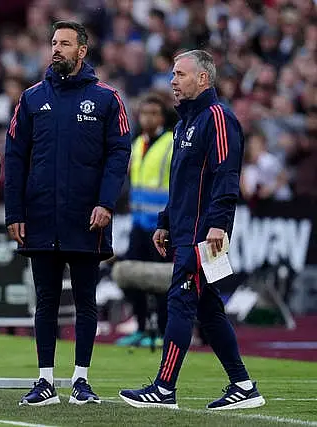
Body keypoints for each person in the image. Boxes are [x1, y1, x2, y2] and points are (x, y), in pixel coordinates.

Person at [119, 50, 266, 410]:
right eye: (172, 74)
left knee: (181, 302)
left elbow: (226, 176)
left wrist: (218, 224)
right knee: (208, 309)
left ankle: (164, 387)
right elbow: (181, 183)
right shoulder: (185, 123)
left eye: (180, 74)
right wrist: (165, 220)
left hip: (203, 234)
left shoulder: (217, 117)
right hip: (185, 230)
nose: (173, 80)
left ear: (203, 79)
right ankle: (243, 385)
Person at [5, 21, 131, 406]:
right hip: (41, 215)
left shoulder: (108, 99)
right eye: (53, 42)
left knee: (85, 300)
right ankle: (44, 381)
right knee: (44, 300)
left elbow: (118, 155)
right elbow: (14, 156)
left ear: (82, 51)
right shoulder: (30, 99)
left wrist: (106, 203)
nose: (56, 48)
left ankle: (81, 381)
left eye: (64, 43)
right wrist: (15, 213)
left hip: (86, 216)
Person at [116, 95, 173, 348]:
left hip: (162, 227)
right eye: (144, 113)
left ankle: (162, 331)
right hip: (139, 225)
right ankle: (140, 326)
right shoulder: (137, 143)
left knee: (161, 281)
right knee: (128, 275)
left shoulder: (172, 144)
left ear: (162, 117)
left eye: (153, 113)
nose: (147, 118)